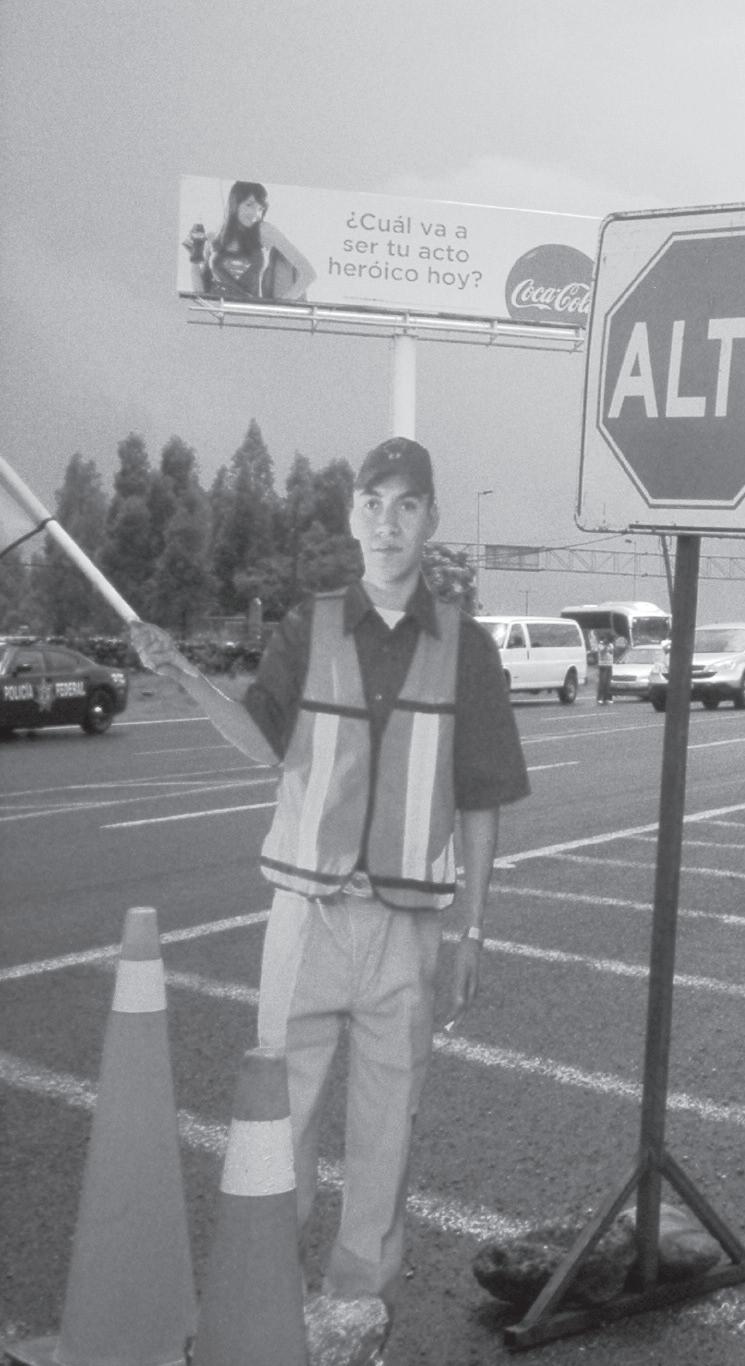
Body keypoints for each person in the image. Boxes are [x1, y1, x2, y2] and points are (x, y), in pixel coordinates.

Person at [130, 437, 529, 1314]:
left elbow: (482, 798)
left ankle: (359, 1306)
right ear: (353, 516)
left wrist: (472, 927)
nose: (388, 524)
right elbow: (262, 742)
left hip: (405, 928)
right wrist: (185, 676)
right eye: (373, 504)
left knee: (388, 1126)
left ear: (430, 519)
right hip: (305, 914)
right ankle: (263, 1303)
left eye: (407, 506)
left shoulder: (467, 649)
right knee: (281, 1117)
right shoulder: (306, 627)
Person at [186, 180, 316, 302]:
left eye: (260, 209)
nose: (256, 214)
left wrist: (280, 306)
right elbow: (200, 291)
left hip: (248, 310)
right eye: (249, 205)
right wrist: (193, 258)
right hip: (218, 310)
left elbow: (309, 274)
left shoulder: (264, 230)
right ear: (234, 204)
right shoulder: (214, 237)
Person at [595, 632, 615, 704]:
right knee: (602, 682)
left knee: (608, 683)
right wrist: (605, 646)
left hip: (609, 665)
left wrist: (609, 646)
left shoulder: (611, 645)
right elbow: (602, 652)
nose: (608, 641)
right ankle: (600, 698)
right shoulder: (600, 645)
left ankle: (607, 698)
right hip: (603, 665)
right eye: (607, 639)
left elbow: (611, 653)